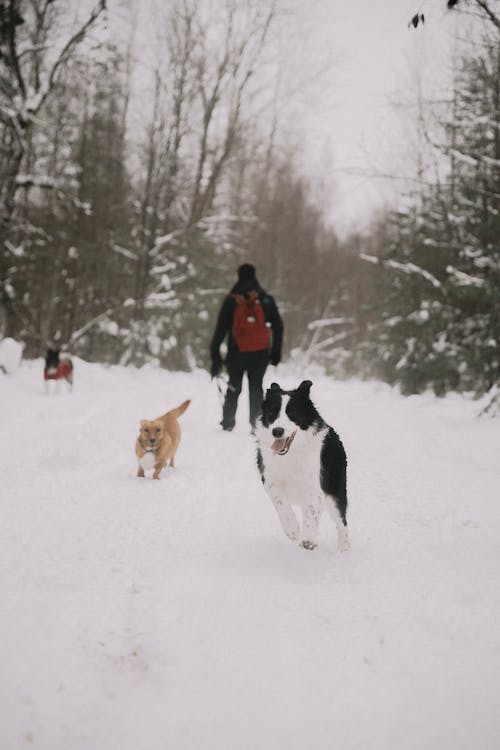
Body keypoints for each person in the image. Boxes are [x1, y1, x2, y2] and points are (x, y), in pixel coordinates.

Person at [210, 263, 283, 431]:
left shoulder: (232, 300)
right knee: (256, 387)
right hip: (260, 353)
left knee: (233, 386)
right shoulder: (265, 299)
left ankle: (228, 423)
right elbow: (278, 326)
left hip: (236, 352)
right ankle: (256, 425)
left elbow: (220, 329)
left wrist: (215, 356)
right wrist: (276, 351)